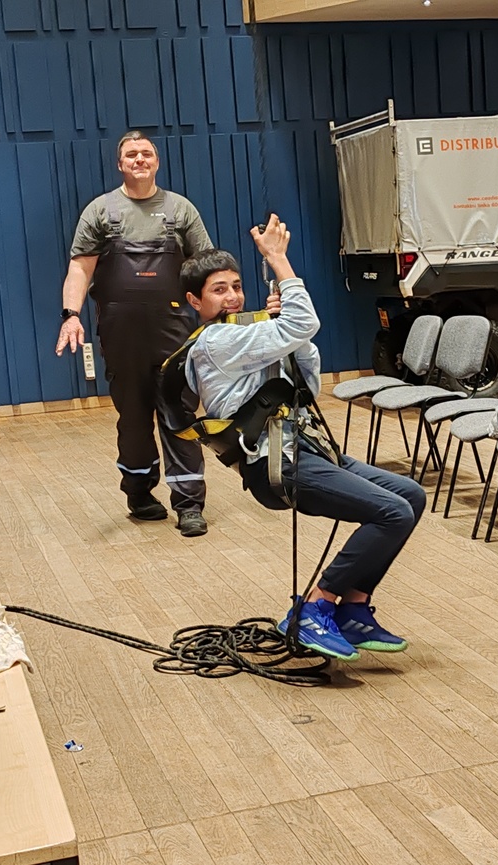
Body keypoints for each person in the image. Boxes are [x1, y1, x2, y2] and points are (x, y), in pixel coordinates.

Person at [180, 215, 425, 662]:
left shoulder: (251, 333)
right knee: (391, 513)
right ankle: (315, 605)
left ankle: (352, 609)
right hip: (274, 463)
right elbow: (305, 322)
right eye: (219, 290)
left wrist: (284, 330)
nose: (232, 296)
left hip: (307, 448)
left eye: (236, 286)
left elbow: (307, 381)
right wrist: (279, 261)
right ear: (195, 301)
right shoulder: (215, 341)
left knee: (410, 495)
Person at [56, 131, 216, 537]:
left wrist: (219, 316)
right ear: (120, 164)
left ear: (156, 161)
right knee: (133, 421)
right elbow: (80, 268)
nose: (139, 159)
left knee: (179, 415)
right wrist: (71, 315)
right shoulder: (101, 211)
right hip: (122, 337)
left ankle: (189, 504)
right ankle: (140, 494)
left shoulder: (180, 210)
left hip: (174, 333)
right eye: (131, 154)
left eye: (146, 153)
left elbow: (205, 268)